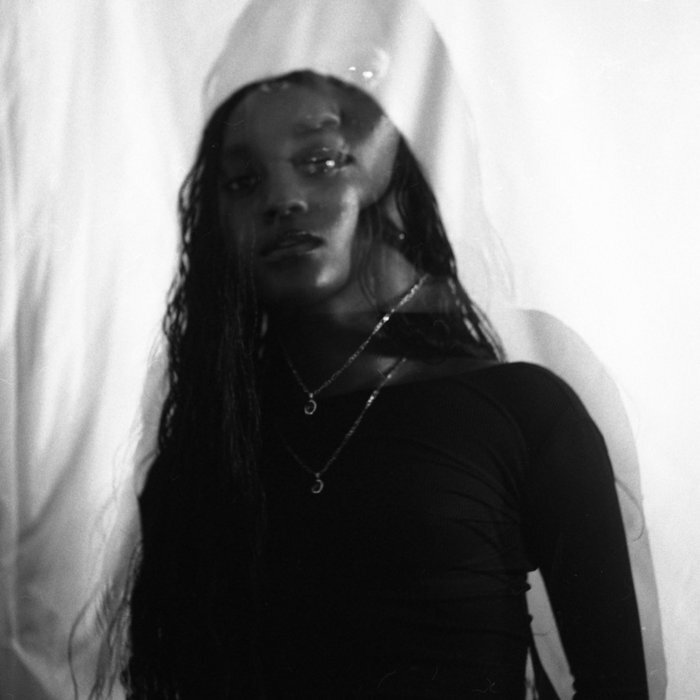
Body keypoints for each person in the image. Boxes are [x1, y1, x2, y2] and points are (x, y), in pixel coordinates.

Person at [101, 1, 650, 697]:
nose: (322, 96)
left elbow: (623, 675)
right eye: (249, 176)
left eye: (362, 71)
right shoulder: (208, 401)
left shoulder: (534, 377)